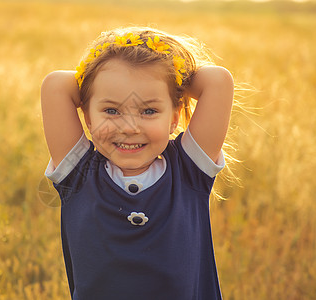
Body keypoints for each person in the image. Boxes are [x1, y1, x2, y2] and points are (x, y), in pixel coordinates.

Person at [41, 26, 234, 299]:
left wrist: (168, 74)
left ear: (175, 118)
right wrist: (103, 71)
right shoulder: (78, 175)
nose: (129, 127)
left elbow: (218, 82)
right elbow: (56, 85)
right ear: (88, 117)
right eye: (111, 110)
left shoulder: (189, 170)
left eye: (149, 110)